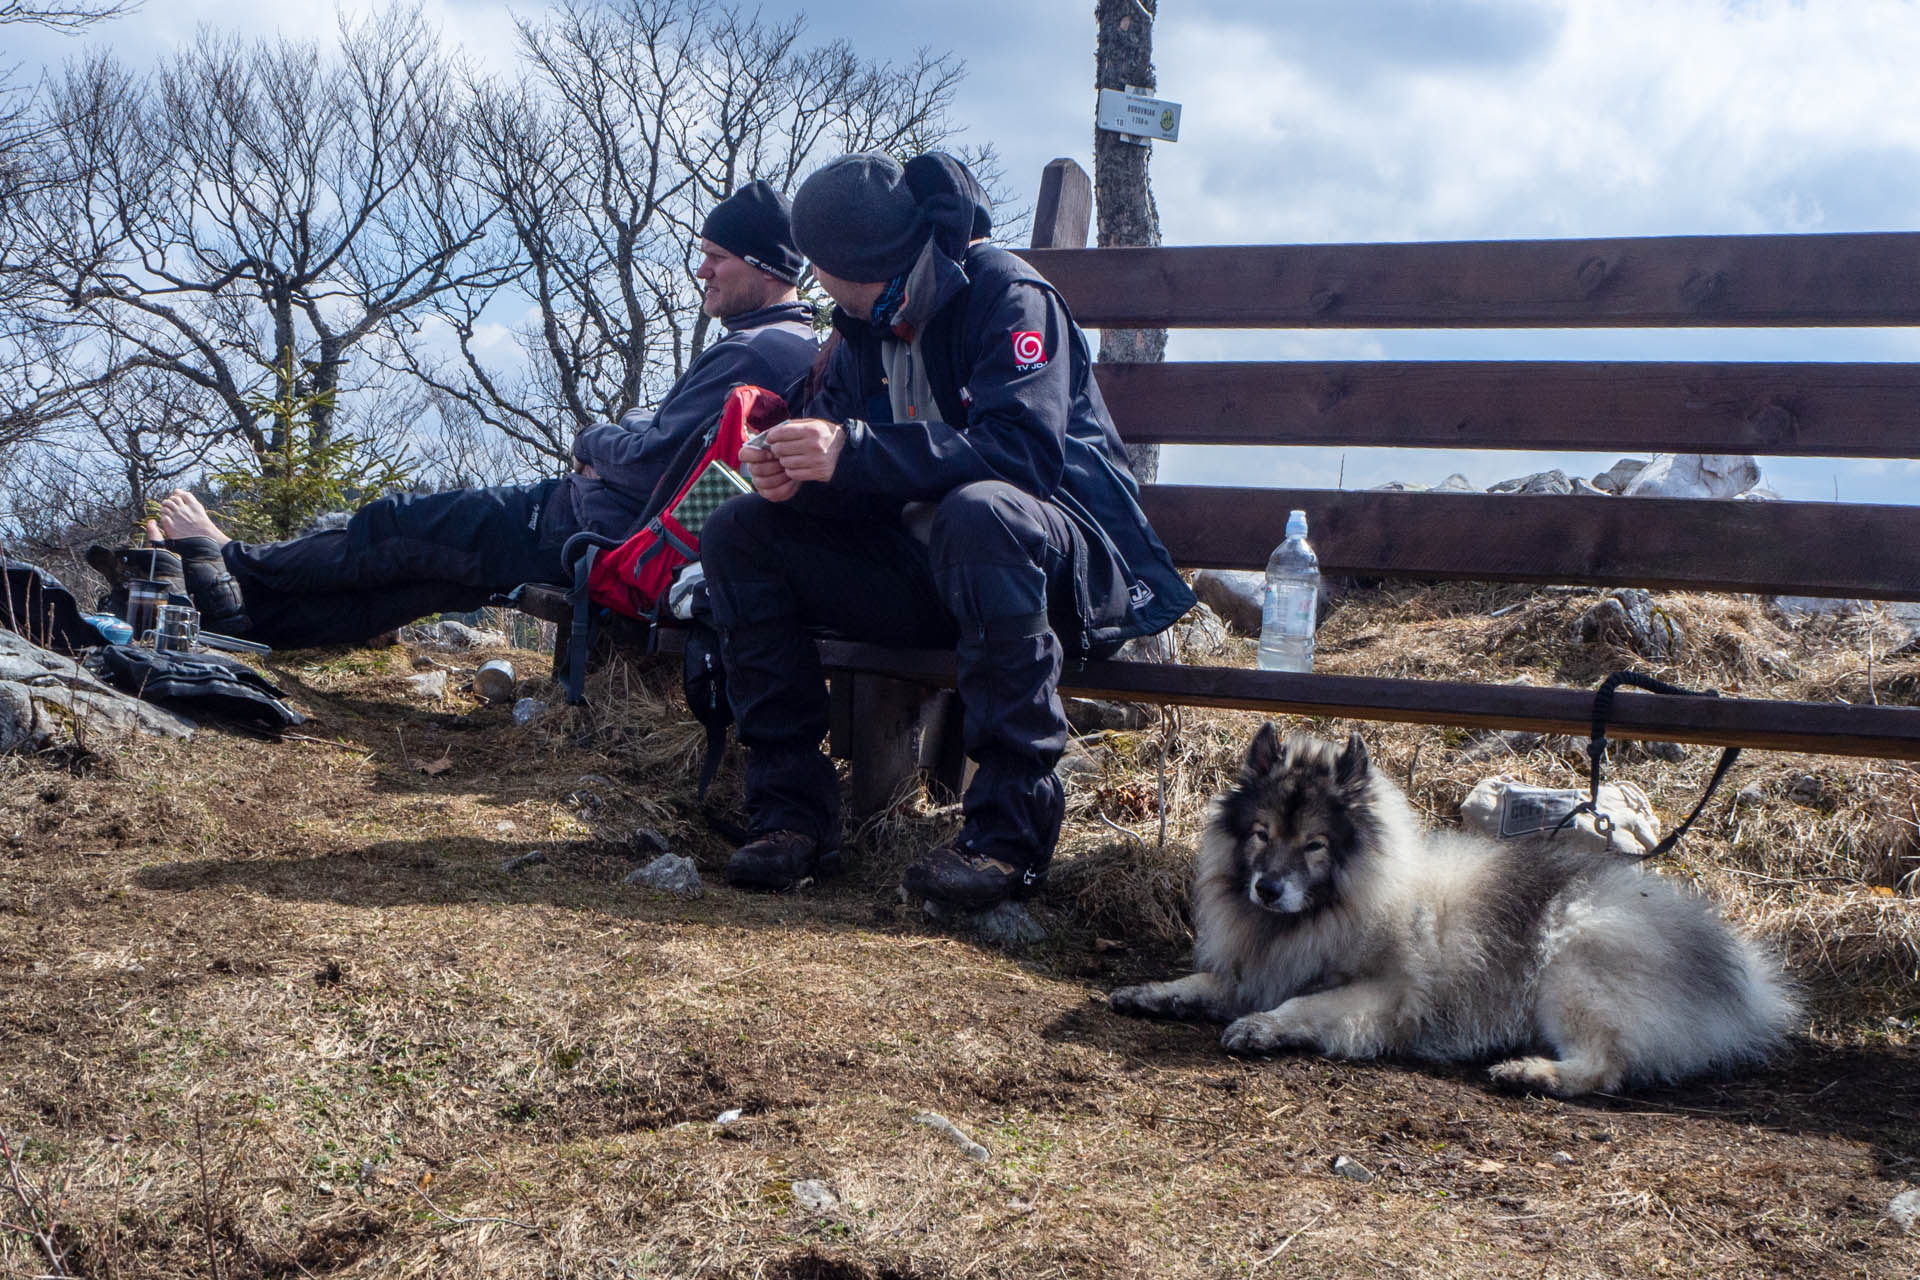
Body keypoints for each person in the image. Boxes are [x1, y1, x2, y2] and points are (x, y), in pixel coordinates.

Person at [700, 152, 1195, 910]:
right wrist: (795, 479)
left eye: (824, 268)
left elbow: (1022, 455)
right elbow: (859, 479)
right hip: (932, 577)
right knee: (742, 532)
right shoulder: (858, 329)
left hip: (1057, 570)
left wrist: (855, 451)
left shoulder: (1007, 295)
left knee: (980, 511)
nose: (816, 281)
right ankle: (791, 819)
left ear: (856, 264)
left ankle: (1006, 841)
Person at [141, 181, 818, 649]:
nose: (702, 271)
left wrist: (592, 438)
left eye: (716, 257)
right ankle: (239, 624)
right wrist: (632, 434)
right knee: (423, 582)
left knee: (395, 524)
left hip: (588, 526)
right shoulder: (785, 346)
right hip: (618, 532)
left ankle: (221, 559)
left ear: (760, 266)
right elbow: (674, 445)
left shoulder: (755, 351)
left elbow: (648, 463)